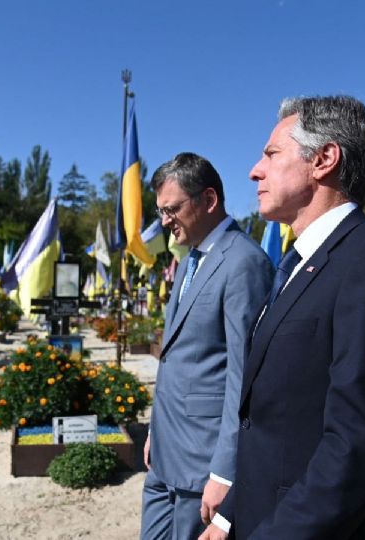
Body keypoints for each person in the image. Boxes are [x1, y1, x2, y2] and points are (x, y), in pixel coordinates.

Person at [203, 96, 365, 539]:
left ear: (323, 160)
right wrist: (231, 517)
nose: (255, 170)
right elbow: (274, 424)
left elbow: (360, 444)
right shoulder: (296, 266)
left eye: (271, 154)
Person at [142, 152, 273, 539]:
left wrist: (224, 471)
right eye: (161, 211)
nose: (165, 220)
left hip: (202, 467)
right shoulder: (189, 259)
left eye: (173, 209)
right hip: (165, 453)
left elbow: (245, 377)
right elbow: (178, 361)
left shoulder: (243, 263)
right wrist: (156, 431)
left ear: (209, 200)